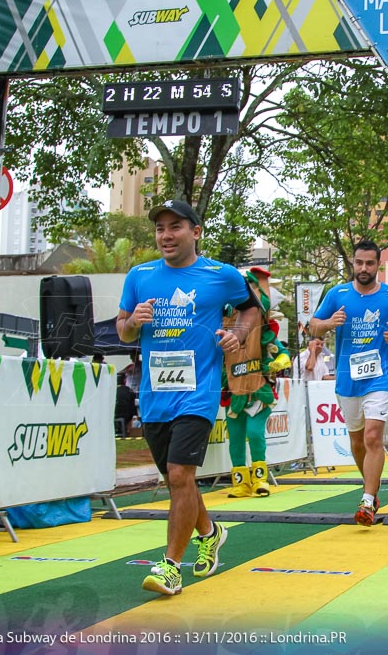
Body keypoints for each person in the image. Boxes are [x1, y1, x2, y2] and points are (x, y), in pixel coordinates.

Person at [117, 199, 260, 596]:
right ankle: (211, 533)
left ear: (195, 232)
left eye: (175, 226)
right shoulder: (139, 276)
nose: (166, 235)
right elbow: (122, 331)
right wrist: (132, 322)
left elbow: (251, 309)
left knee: (181, 475)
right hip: (155, 395)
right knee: (177, 479)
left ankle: (170, 567)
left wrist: (239, 333)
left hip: (199, 392)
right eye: (160, 228)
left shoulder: (221, 275)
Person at [309, 239, 388, 527]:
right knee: (357, 440)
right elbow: (312, 325)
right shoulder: (337, 293)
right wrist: (330, 323)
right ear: (353, 263)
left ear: (378, 265)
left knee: (372, 437)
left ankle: (367, 500)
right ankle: (370, 485)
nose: (364, 268)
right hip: (348, 378)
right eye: (359, 263)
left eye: (370, 263)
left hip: (380, 375)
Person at [222, 267, 291, 499]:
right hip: (233, 392)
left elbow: (283, 354)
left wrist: (277, 363)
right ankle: (240, 483)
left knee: (255, 432)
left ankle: (260, 478)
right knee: (236, 439)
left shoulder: (263, 332)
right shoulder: (222, 331)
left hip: (259, 390)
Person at [114, 372, 136, 437]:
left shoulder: (111, 390)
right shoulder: (128, 390)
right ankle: (129, 430)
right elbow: (132, 405)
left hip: (113, 414)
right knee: (132, 408)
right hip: (126, 416)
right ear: (124, 380)